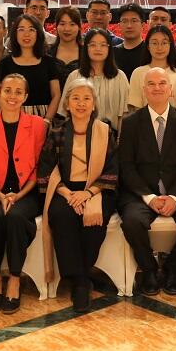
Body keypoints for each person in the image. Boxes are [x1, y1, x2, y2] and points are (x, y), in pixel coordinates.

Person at [118, 68, 176, 296]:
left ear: (171, 89)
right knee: (132, 221)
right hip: (141, 192)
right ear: (143, 89)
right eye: (151, 84)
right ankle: (148, 269)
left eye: (162, 83)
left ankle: (173, 269)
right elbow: (126, 166)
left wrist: (175, 198)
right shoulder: (130, 123)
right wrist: (149, 198)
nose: (157, 88)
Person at [38, 78, 118, 312]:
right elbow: (45, 170)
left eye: (87, 99)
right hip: (64, 189)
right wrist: (67, 192)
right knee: (63, 217)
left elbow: (113, 169)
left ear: (94, 104)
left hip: (97, 188)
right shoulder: (57, 132)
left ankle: (79, 279)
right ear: (67, 104)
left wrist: (88, 193)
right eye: (76, 98)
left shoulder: (105, 131)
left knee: (95, 219)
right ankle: (81, 279)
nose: (81, 103)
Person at [0, 74, 46, 313]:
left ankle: (15, 279)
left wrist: (18, 195)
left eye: (18, 92)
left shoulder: (37, 125)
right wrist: (1, 195)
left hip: (26, 192)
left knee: (16, 217)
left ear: (25, 97)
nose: (12, 96)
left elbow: (39, 167)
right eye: (7, 91)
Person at [63, 29, 130, 130]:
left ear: (109, 49)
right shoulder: (75, 76)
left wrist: (119, 140)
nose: (98, 49)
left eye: (103, 45)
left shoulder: (119, 77)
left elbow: (125, 114)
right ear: (86, 48)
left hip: (110, 134)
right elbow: (65, 111)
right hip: (79, 133)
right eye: (93, 45)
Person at [0, 14, 61, 120]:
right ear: (15, 34)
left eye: (31, 30)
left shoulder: (48, 61)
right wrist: (7, 117)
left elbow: (56, 95)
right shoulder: (6, 63)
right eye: (21, 29)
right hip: (13, 115)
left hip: (43, 117)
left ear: (38, 33)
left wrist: (47, 120)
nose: (26, 34)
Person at [127, 25, 176, 110]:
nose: (159, 47)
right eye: (154, 43)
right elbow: (137, 108)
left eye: (164, 43)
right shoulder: (138, 73)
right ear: (148, 46)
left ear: (170, 45)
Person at [47, 6, 83, 89]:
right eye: (62, 24)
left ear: (79, 27)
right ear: (56, 26)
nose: (67, 29)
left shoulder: (87, 53)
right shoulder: (47, 52)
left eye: (72, 24)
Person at [113, 2, 146, 79]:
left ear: (142, 25)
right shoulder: (112, 53)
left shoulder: (150, 51)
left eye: (134, 21)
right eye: (124, 21)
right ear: (119, 25)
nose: (129, 26)